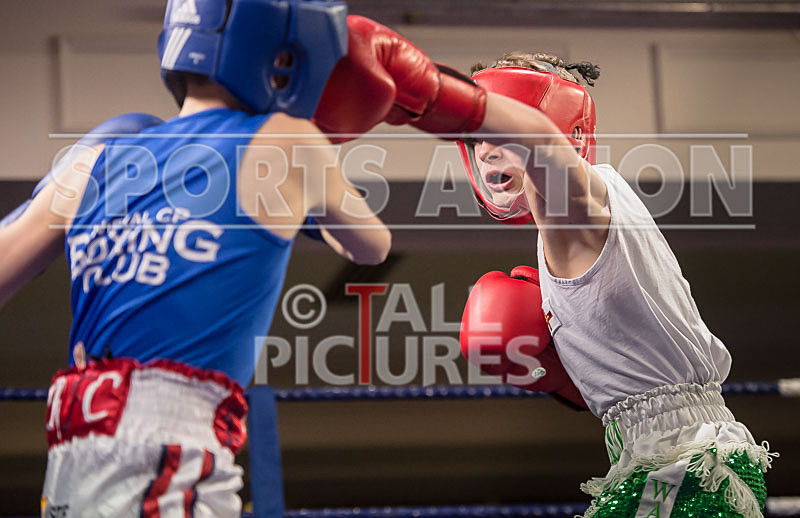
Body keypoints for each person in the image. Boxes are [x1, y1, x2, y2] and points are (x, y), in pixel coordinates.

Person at [0, 0, 397, 515]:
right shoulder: (290, 141)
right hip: (170, 445)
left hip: (73, 447)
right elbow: (372, 245)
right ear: (287, 57)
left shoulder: (96, 158)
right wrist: (309, 199)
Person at [456, 52, 776, 518]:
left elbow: (546, 151)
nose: (485, 148)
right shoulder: (573, 224)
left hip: (684, 464)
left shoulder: (582, 202)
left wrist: (430, 94)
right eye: (475, 134)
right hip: (673, 459)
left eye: (498, 128)